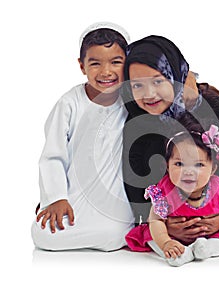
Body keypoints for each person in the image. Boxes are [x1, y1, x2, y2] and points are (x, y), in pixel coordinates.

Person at [122, 35, 219, 247]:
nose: (149, 94)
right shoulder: (136, 121)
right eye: (137, 86)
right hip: (169, 196)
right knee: (154, 146)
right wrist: (160, 224)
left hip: (214, 179)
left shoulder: (205, 103)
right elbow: (133, 176)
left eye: (158, 81)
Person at [31, 22, 136, 251]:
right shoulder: (70, 103)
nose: (106, 72)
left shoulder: (131, 100)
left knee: (116, 233)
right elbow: (52, 157)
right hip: (76, 190)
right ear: (82, 66)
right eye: (95, 63)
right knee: (43, 235)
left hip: (113, 193)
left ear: (127, 63)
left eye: (115, 62)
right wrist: (57, 197)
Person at [125, 113, 219, 266]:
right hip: (172, 236)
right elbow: (155, 221)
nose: (188, 172)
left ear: (213, 169)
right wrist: (166, 241)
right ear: (167, 166)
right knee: (152, 237)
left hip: (212, 234)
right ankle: (174, 252)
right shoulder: (165, 191)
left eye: (199, 165)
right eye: (179, 164)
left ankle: (207, 248)